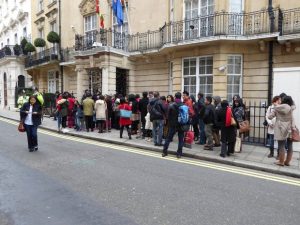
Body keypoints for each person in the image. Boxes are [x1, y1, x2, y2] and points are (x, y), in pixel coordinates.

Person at [268, 96, 296, 166]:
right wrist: (293, 127)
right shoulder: (290, 109)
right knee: (290, 146)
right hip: (289, 129)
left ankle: (281, 161)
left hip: (280, 128)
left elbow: (269, 117)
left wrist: (275, 109)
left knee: (281, 146)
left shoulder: (277, 108)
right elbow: (292, 119)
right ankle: (287, 162)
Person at [162, 92, 185, 158]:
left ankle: (164, 152)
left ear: (175, 97)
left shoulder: (171, 105)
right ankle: (179, 154)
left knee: (168, 138)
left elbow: (168, 116)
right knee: (180, 140)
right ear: (180, 97)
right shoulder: (183, 105)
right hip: (181, 124)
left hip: (173, 125)